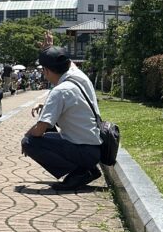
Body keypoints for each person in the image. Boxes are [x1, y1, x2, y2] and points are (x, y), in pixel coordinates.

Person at [21, 47, 102, 190]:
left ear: (46, 70)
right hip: (94, 148)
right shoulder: (78, 77)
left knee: (29, 142)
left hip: (84, 151)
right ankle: (87, 169)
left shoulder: (59, 91)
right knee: (47, 131)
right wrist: (50, 49)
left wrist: (26, 136)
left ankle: (80, 172)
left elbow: (40, 130)